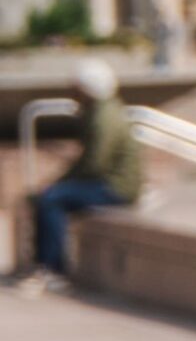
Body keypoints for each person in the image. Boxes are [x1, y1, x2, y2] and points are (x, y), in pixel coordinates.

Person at [21, 58, 142, 290]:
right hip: (109, 182)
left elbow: (94, 164)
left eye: (76, 88)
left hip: (116, 187)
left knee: (51, 200)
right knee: (50, 195)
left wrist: (60, 184)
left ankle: (53, 269)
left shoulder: (103, 117)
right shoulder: (100, 110)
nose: (72, 94)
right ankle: (44, 264)